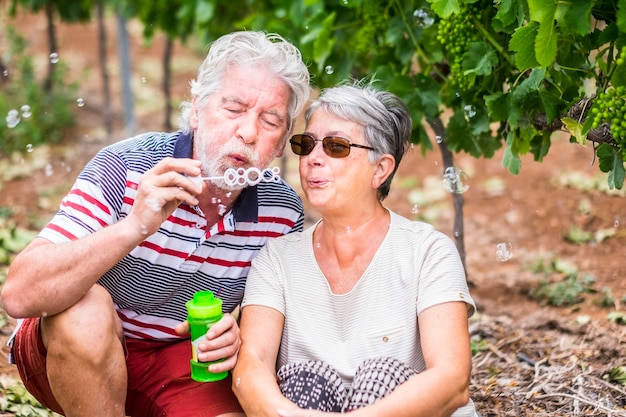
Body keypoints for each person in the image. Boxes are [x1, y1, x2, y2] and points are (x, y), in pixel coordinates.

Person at [1, 31, 310, 417]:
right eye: (234, 108)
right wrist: (134, 226)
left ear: (281, 144)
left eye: (270, 121)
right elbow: (18, 295)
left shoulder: (282, 213)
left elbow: (270, 328)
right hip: (70, 354)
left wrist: (239, 332)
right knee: (85, 310)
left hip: (177, 362)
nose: (248, 133)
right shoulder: (126, 166)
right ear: (196, 109)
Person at [232, 82, 478, 417]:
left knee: (383, 375)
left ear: (380, 169)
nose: (313, 159)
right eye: (307, 144)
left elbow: (452, 380)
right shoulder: (276, 259)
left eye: (335, 146)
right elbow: (252, 365)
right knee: (303, 379)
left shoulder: (428, 252)